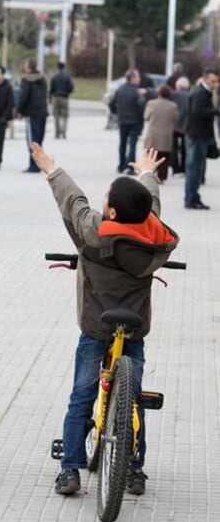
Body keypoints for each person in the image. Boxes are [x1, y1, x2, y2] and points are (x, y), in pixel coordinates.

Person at [30, 143, 179, 496]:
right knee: (133, 398)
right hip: (135, 327)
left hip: (97, 327)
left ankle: (69, 469)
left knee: (81, 396)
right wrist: (147, 174)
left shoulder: (94, 233)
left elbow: (74, 203)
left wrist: (52, 170)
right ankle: (134, 470)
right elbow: (151, 204)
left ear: (110, 210)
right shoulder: (152, 235)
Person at [184, 67, 220, 210]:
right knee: (194, 169)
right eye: (213, 81)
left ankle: (193, 197)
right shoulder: (201, 93)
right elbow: (197, 111)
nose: (215, 84)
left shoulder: (204, 91)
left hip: (198, 135)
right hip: (197, 136)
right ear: (205, 79)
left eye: (217, 81)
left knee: (195, 168)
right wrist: (217, 111)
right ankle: (191, 198)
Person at [109, 69, 146, 174]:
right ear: (133, 78)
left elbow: (111, 104)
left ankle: (121, 165)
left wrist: (117, 113)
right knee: (133, 144)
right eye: (138, 77)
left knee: (122, 143)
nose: (139, 79)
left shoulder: (119, 90)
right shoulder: (137, 91)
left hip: (122, 120)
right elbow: (141, 106)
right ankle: (130, 167)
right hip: (134, 121)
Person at [17, 58, 48, 173]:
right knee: (39, 139)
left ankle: (33, 165)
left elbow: (23, 97)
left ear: (28, 67)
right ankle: (39, 164)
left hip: (31, 113)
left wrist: (19, 111)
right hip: (42, 113)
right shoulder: (42, 79)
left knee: (32, 140)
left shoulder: (26, 80)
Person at [143, 85, 179, 182]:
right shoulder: (173, 106)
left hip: (153, 135)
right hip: (166, 136)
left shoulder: (151, 103)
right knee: (164, 158)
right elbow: (175, 119)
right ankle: (161, 177)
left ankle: (149, 174)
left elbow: (146, 116)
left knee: (151, 156)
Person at [169, 76, 191, 175]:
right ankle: (184, 168)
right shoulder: (190, 95)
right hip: (186, 125)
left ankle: (175, 168)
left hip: (174, 125)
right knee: (184, 148)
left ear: (179, 86)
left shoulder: (173, 95)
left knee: (173, 147)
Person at [49, 61, 74, 139]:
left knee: (56, 116)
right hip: (64, 97)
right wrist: (67, 92)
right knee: (65, 116)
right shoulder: (67, 76)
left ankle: (57, 132)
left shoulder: (54, 76)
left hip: (55, 97)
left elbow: (51, 89)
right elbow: (71, 87)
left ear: (57, 67)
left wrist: (50, 99)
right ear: (64, 67)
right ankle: (63, 132)